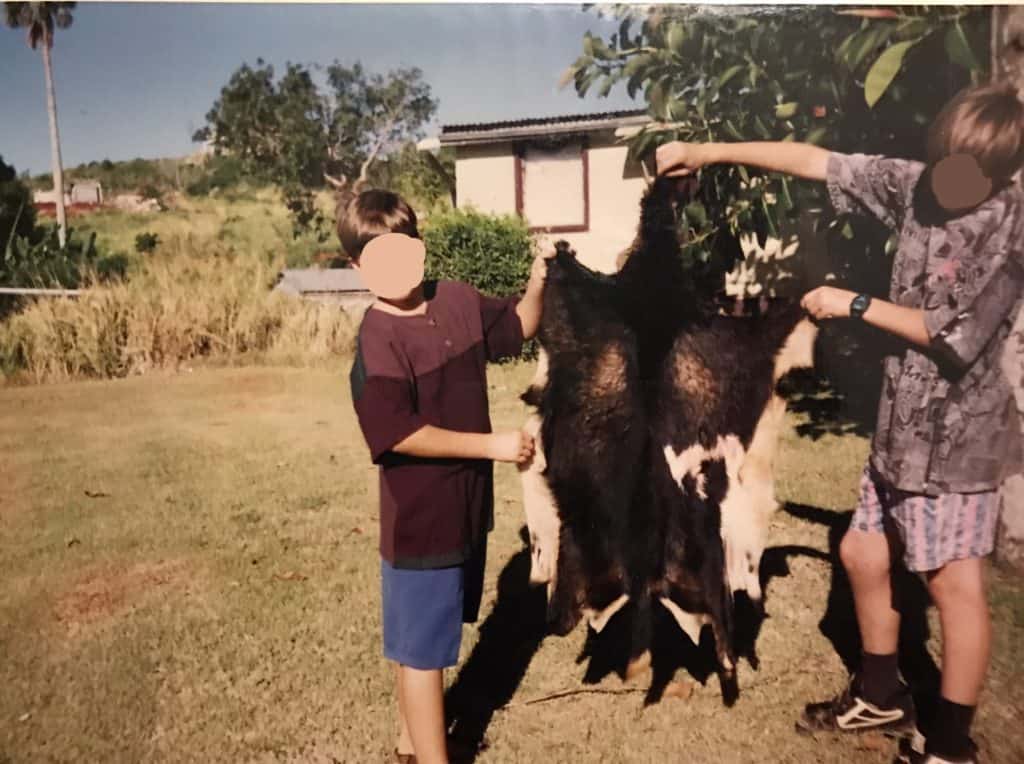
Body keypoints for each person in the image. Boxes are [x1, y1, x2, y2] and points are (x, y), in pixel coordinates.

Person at [656, 82, 1024, 764]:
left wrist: (853, 304)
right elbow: (813, 160)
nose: (947, 180)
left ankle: (949, 744)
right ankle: (882, 692)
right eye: (942, 160)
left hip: (956, 442)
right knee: (860, 552)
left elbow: (953, 336)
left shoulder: (1010, 231)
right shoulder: (918, 186)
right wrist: (706, 151)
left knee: (955, 585)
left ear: (999, 174)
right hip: (898, 431)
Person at [343, 189, 550, 764]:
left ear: (420, 249)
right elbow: (398, 434)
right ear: (356, 267)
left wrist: (538, 281)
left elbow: (519, 327)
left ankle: (410, 744)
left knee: (423, 643)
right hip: (421, 522)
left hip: (465, 511)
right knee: (423, 655)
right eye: (375, 257)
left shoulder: (456, 300)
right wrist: (493, 445)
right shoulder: (378, 338)